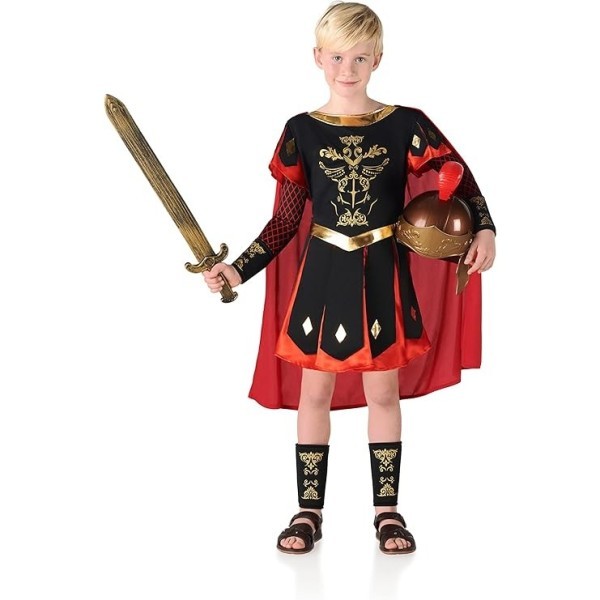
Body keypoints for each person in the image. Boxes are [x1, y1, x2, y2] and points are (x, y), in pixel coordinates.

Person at [203, 1, 496, 555]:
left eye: (360, 57)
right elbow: (286, 220)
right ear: (318, 56)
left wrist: (485, 227)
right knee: (314, 392)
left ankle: (387, 512)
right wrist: (237, 269)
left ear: (377, 59)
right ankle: (308, 512)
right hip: (322, 276)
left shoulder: (405, 124)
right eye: (337, 57)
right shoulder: (301, 131)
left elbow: (457, 174)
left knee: (383, 391)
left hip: (383, 272)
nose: (348, 68)